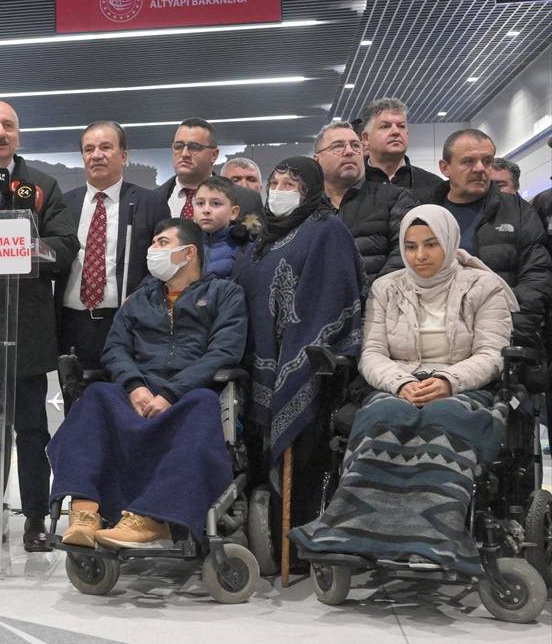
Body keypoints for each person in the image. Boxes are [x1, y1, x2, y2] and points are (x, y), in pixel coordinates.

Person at [290, 206, 518, 575]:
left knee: (444, 416)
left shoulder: (484, 287)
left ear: (450, 242)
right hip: (399, 384)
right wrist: (401, 383)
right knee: (384, 415)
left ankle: (435, 536)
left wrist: (448, 382)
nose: (420, 256)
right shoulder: (386, 287)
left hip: (464, 387)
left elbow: (492, 355)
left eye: (430, 245)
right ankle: (351, 533)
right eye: (410, 247)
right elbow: (373, 353)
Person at [49, 219, 247, 548]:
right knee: (96, 395)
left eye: (162, 242)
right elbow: (114, 348)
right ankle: (84, 513)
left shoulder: (225, 294)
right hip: (137, 392)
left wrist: (171, 392)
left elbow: (224, 352)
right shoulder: (141, 298)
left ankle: (153, 519)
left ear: (189, 252)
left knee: (204, 404)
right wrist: (134, 385)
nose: (152, 250)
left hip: (188, 395)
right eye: (153, 242)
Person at [0, 100, 78, 552]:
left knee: (32, 431)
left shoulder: (42, 186)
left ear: (18, 137)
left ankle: (36, 518)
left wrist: (19, 246)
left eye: (8, 125)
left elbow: (64, 247)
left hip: (23, 330)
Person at [234, 157, 364, 536]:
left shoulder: (328, 230)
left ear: (309, 190)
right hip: (257, 363)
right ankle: (268, 540)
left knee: (304, 456)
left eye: (291, 185)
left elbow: (329, 298)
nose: (279, 191)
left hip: (305, 366)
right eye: (274, 183)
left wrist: (296, 359)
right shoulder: (263, 236)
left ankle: (301, 540)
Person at [58, 121, 168, 385]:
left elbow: (163, 266)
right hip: (74, 326)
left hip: (127, 324)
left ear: (123, 155)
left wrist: (142, 292)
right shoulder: (63, 203)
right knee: (80, 413)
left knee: (126, 409)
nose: (97, 155)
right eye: (89, 149)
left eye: (106, 147)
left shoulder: (150, 203)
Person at [424, 128, 551, 347]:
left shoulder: (519, 212)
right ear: (445, 168)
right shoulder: (424, 213)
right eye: (468, 161)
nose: (480, 168)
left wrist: (508, 330)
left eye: (487, 161)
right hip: (437, 339)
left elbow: (537, 274)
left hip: (505, 338)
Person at [313, 120, 416, 287]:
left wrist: (375, 298)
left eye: (355, 145)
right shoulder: (302, 208)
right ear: (317, 160)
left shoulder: (395, 198)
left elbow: (405, 253)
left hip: (381, 306)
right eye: (338, 146)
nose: (349, 152)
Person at [157, 118, 263, 222]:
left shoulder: (247, 199)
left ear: (214, 155)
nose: (184, 154)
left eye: (194, 147)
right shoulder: (152, 201)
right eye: (179, 146)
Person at [359, 98, 443, 196]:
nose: (396, 131)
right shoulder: (350, 186)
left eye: (401, 126)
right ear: (366, 138)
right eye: (385, 126)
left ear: (407, 134)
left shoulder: (434, 186)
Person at [195, 176, 257, 279]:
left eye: (215, 203)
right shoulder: (184, 245)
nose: (206, 210)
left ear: (233, 212)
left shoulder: (247, 250)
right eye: (200, 203)